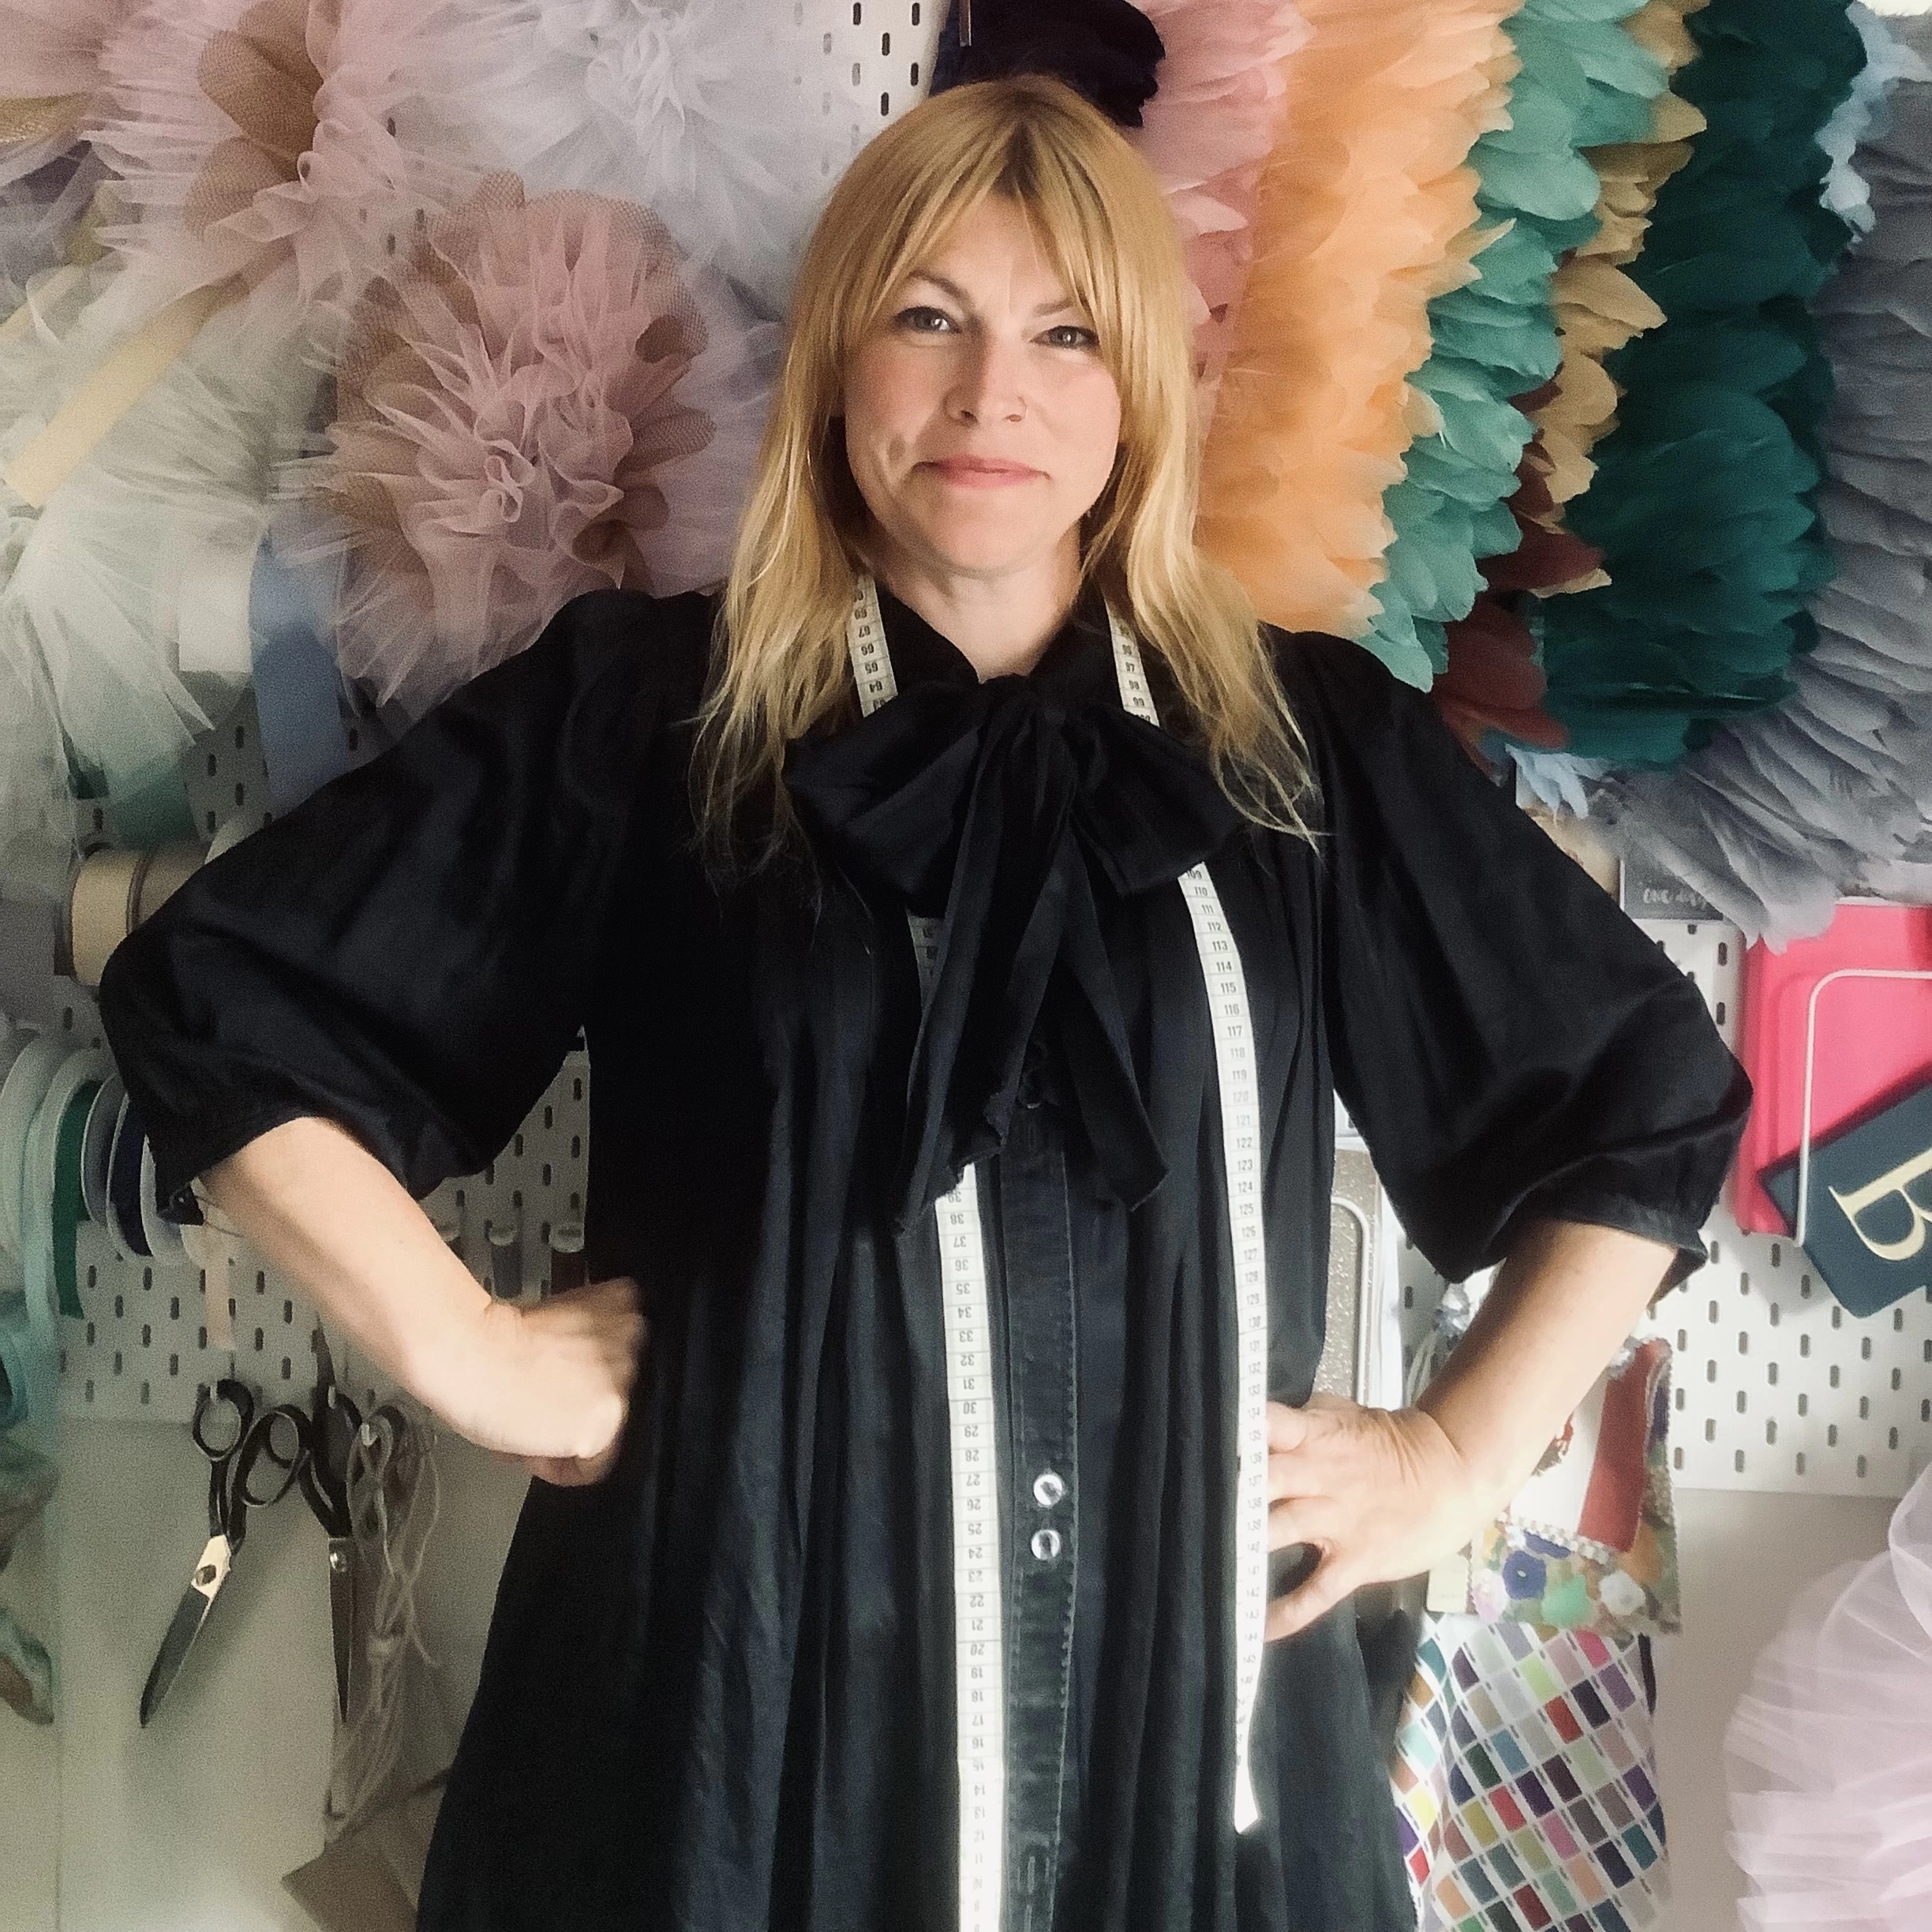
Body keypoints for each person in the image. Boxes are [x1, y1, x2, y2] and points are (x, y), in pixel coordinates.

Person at [97, 74, 1750, 1932]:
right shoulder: (653, 725)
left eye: (1064, 333)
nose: (993, 399)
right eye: (928, 320)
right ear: (835, 367)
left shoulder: (1305, 754)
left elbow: (1642, 1107)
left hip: (1191, 1776)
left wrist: (1457, 1457)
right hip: (737, 1759)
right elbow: (223, 998)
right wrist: (467, 1347)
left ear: (1139, 387)